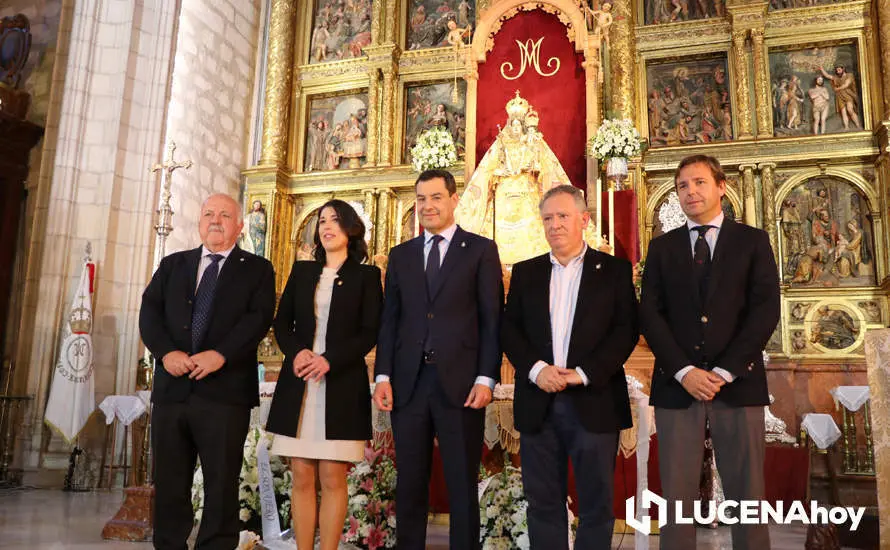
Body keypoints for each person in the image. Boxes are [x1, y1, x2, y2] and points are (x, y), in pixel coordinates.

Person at [640, 155, 780, 550]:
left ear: (721, 186)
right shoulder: (663, 248)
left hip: (737, 384)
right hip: (677, 387)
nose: (691, 192)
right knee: (676, 499)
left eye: (699, 182)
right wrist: (684, 371)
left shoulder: (752, 241)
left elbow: (765, 309)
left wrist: (726, 370)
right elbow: (649, 314)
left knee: (747, 495)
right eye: (682, 185)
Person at [501, 184, 638, 550]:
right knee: (542, 503)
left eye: (563, 216)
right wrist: (536, 370)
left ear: (584, 220)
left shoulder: (613, 271)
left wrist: (583, 373)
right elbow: (509, 329)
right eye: (548, 218)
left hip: (594, 400)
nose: (555, 225)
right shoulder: (526, 273)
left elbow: (625, 331)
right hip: (538, 402)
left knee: (595, 507)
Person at [373, 169, 503, 550]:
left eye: (435, 197)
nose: (427, 206)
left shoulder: (480, 250)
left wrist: (486, 379)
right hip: (408, 385)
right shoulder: (401, 256)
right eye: (421, 199)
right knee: (410, 481)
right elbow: (390, 321)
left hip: (461, 384)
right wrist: (383, 375)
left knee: (461, 481)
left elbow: (492, 320)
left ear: (453, 200)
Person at [140, 193, 276, 550]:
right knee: (169, 480)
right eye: (209, 214)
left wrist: (221, 354)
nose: (216, 221)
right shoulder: (173, 265)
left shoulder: (258, 269)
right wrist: (166, 352)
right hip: (173, 390)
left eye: (225, 215)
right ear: (200, 221)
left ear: (240, 225)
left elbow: (258, 318)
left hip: (225, 394)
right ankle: (169, 544)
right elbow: (149, 312)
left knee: (220, 482)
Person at [266, 199, 383, 550]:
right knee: (301, 474)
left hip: (341, 383)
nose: (326, 226)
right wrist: (297, 352)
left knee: (332, 475)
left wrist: (329, 359)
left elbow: (369, 331)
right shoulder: (302, 271)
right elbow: (282, 322)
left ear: (350, 229)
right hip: (299, 382)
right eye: (321, 221)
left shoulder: (366, 276)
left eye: (334, 220)